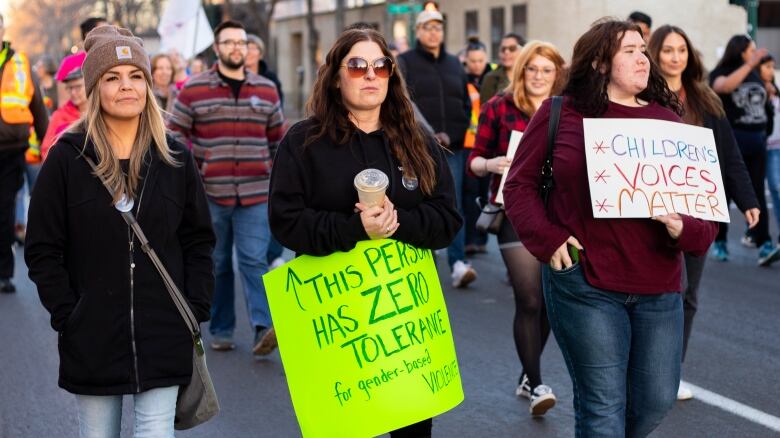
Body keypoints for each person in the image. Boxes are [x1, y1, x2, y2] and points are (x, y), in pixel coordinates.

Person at [503, 20, 718, 437]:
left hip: (658, 288)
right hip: (585, 283)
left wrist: (681, 226)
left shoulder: (669, 123)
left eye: (644, 50)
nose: (643, 58)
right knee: (603, 408)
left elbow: (704, 227)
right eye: (630, 50)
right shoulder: (559, 113)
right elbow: (519, 186)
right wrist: (547, 240)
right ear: (601, 62)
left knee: (655, 400)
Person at [268, 27, 461, 438]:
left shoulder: (418, 143)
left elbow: (447, 219)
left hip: (402, 326)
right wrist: (354, 229)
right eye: (357, 66)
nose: (370, 74)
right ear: (336, 76)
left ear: (392, 75)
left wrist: (397, 224)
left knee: (412, 429)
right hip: (338, 324)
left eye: (381, 66)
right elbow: (286, 222)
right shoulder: (304, 142)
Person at [24, 25, 215, 437]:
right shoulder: (65, 159)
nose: (126, 87)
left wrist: (195, 308)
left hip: (164, 329)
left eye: (136, 76)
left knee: (154, 431)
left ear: (148, 84)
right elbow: (42, 248)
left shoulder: (176, 157)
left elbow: (199, 239)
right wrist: (68, 315)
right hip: (92, 334)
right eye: (112, 77)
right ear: (94, 89)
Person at [648, 24, 761, 401]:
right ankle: (647, 368)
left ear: (690, 55)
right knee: (657, 292)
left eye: (681, 49)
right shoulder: (641, 97)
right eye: (667, 50)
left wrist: (748, 201)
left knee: (687, 295)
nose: (675, 57)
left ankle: (670, 372)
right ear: (655, 54)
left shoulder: (706, 99)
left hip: (699, 212)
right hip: (651, 210)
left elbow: (729, 157)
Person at [168, 20, 285, 356]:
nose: (237, 47)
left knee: (253, 260)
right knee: (217, 261)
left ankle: (263, 327)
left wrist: (277, 181)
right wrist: (194, 170)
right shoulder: (194, 89)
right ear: (216, 48)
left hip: (256, 193)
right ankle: (221, 329)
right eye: (229, 42)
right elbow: (175, 135)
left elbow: (278, 140)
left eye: (241, 42)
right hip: (211, 192)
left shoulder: (265, 89)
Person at [468, 40, 565, 416]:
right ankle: (537, 383)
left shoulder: (567, 112)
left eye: (547, 70)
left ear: (557, 75)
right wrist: (491, 165)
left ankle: (527, 374)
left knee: (550, 304)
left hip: (557, 215)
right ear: (520, 70)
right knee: (528, 299)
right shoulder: (499, 107)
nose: (539, 76)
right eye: (532, 68)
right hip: (513, 213)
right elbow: (473, 162)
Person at [397, 9, 477, 288]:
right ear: (417, 31)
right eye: (427, 27)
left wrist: (452, 134)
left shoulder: (456, 63)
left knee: (451, 204)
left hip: (452, 147)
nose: (433, 33)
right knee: (418, 203)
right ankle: (423, 263)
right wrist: (430, 135)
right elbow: (402, 102)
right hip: (417, 146)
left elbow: (465, 105)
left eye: (438, 28)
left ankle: (457, 262)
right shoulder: (404, 62)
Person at [709, 35, 779, 265]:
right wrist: (750, 65)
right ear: (740, 51)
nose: (755, 53)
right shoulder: (722, 72)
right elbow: (724, 87)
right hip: (733, 142)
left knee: (756, 192)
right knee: (727, 193)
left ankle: (764, 242)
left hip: (756, 141)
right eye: (750, 50)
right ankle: (720, 241)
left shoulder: (755, 73)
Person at [0, 13, 49, 293]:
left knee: (4, 212)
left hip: (9, 152)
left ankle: (4, 273)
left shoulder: (20, 63)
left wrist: (47, 144)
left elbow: (37, 107)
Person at [462, 39, 493, 255]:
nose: (477, 65)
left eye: (481, 60)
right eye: (473, 61)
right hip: (467, 142)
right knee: (469, 192)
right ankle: (470, 238)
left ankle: (482, 237)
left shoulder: (492, 77)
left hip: (488, 143)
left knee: (485, 191)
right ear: (466, 60)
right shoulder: (462, 80)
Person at [41, 53, 88, 160]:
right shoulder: (59, 116)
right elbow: (46, 151)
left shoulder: (103, 114)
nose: (73, 92)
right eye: (70, 88)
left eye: (78, 87)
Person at [761, 55, 780, 251]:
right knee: (775, 187)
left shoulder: (776, 93)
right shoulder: (758, 94)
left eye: (772, 67)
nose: (770, 70)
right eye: (767, 66)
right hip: (769, 147)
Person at [480, 33, 526, 103]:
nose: (506, 52)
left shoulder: (530, 75)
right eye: (503, 49)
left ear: (523, 51)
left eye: (512, 49)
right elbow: (485, 109)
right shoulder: (490, 77)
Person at [246, 34, 284, 109]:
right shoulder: (234, 77)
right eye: (246, 48)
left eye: (253, 48)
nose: (249, 52)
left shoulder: (271, 78)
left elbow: (279, 106)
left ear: (260, 54)